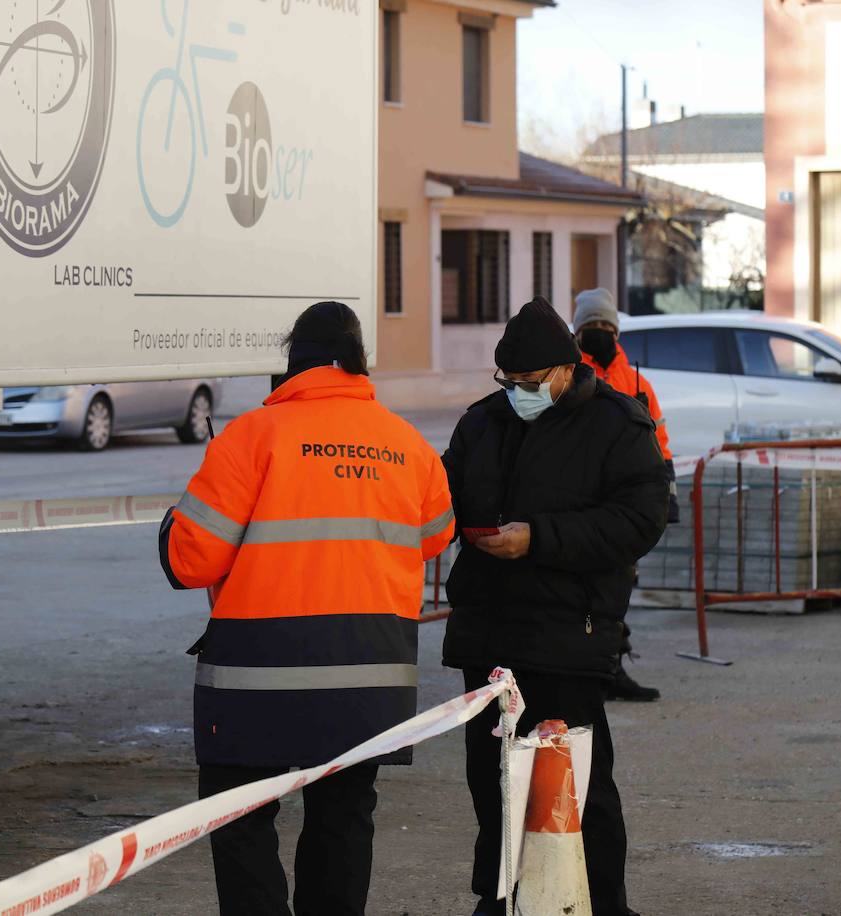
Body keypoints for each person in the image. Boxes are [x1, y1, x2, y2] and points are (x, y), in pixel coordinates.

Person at [159, 301, 455, 916]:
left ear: (292, 365)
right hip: (370, 678)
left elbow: (191, 561)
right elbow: (435, 536)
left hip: (257, 676)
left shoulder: (250, 438)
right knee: (344, 819)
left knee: (238, 816)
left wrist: (171, 526)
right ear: (358, 364)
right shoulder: (408, 445)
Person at [440, 297, 668, 916]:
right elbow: (443, 495)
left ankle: (603, 902)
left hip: (570, 636)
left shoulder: (620, 424)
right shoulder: (483, 423)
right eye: (508, 383)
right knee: (492, 785)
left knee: (581, 787)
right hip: (489, 637)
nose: (519, 393)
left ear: (566, 370)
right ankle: (501, 899)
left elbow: (641, 520)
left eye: (531, 383)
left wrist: (540, 537)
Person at [573, 287, 678, 703]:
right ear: (578, 330)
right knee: (580, 591)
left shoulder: (636, 380)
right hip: (580, 499)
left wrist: (665, 493)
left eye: (604, 325)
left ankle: (610, 667)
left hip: (623, 503)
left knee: (619, 586)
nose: (598, 332)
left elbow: (659, 439)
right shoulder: (566, 373)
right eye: (591, 325)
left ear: (615, 330)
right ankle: (583, 671)